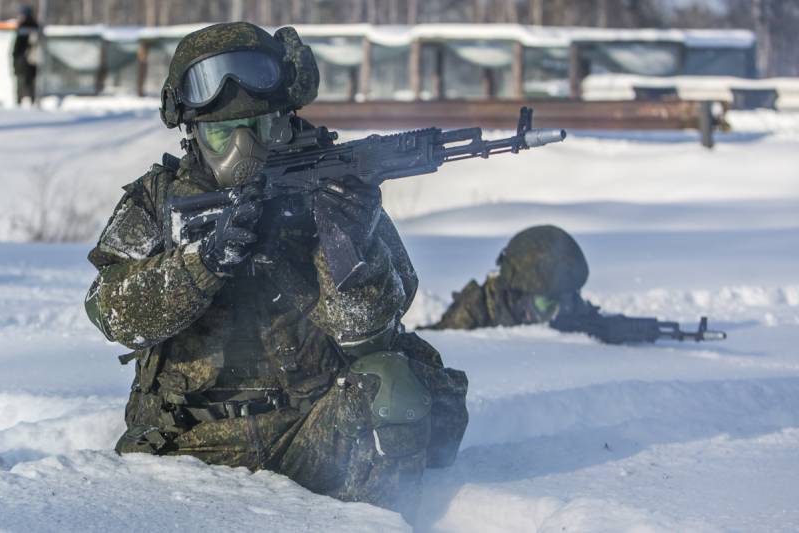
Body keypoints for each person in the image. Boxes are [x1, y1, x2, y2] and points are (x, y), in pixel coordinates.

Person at [84, 22, 467, 521]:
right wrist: (203, 263)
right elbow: (112, 312)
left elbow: (370, 330)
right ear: (192, 132)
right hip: (188, 446)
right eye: (222, 132)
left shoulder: (328, 185)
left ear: (284, 121)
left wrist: (350, 234)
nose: (242, 148)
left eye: (260, 128)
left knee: (391, 383)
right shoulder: (158, 202)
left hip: (312, 429)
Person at [425, 225, 589, 330]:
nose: (555, 314)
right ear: (519, 297)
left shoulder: (563, 297)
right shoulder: (478, 308)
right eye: (545, 305)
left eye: (559, 303)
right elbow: (436, 341)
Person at [12, 5, 40, 106]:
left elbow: (19, 47)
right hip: (29, 60)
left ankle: (21, 102)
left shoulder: (25, 27)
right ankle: (30, 101)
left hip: (24, 60)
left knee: (23, 81)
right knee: (29, 81)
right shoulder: (34, 26)